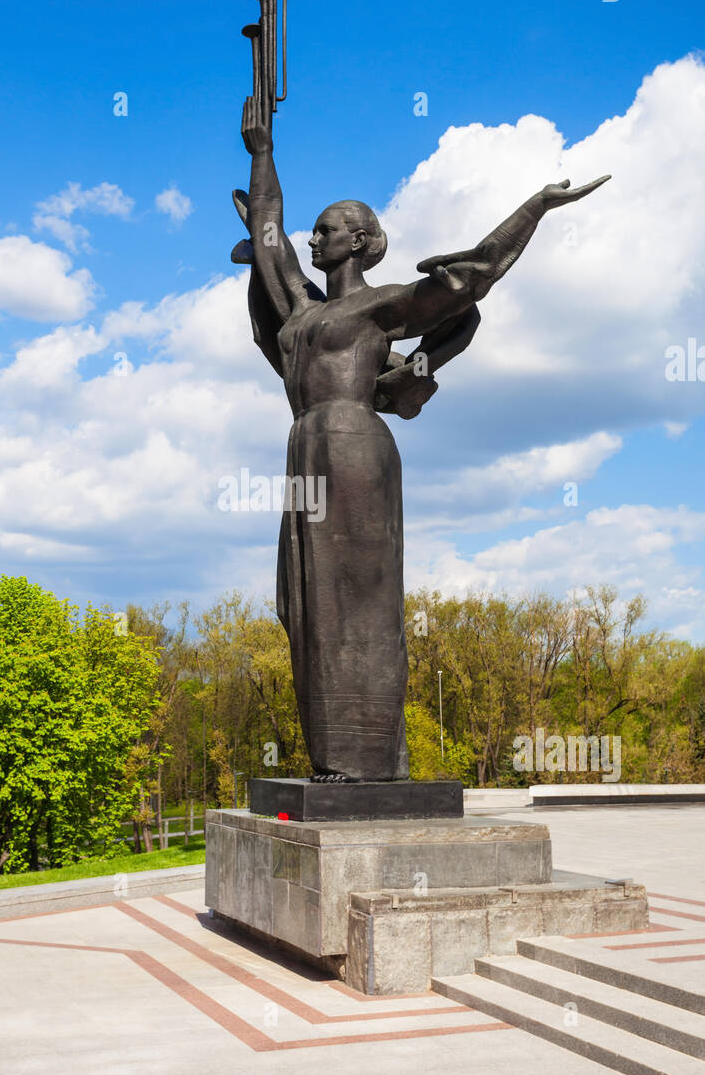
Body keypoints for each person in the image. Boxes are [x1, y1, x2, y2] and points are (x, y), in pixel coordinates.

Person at [234, 93, 609, 782]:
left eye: (327, 231)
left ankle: (366, 760)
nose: (313, 242)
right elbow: (266, 236)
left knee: (358, 601)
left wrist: (536, 206)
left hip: (354, 445)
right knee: (303, 606)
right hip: (306, 448)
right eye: (312, 233)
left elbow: (474, 277)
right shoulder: (299, 310)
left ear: (360, 239)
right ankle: (341, 756)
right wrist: (263, 152)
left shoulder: (383, 307)